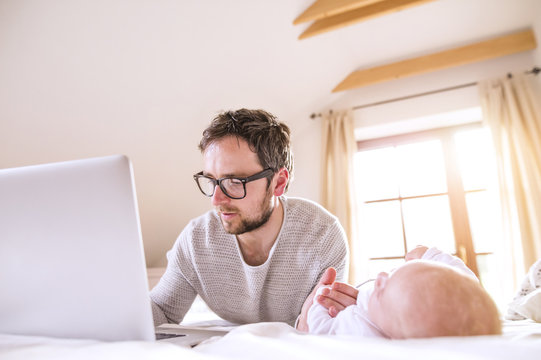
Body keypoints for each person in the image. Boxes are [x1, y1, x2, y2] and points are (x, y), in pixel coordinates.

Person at [150, 108, 349, 326]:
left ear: (278, 182)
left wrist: (309, 325)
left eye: (235, 181)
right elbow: (162, 311)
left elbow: (322, 328)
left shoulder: (323, 236)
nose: (216, 200)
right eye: (211, 181)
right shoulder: (196, 240)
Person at [304, 246, 502, 338]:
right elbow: (464, 279)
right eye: (393, 273)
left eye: (381, 293)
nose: (381, 277)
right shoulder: (410, 307)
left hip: (339, 303)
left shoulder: (362, 328)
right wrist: (429, 255)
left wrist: (318, 301)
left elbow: (320, 329)